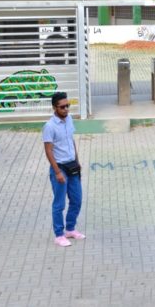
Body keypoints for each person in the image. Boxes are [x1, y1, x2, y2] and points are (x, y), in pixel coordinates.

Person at [42, 92, 85, 247]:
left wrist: (77, 162)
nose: (66, 109)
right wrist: (57, 172)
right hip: (59, 168)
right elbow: (48, 150)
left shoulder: (69, 119)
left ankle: (70, 229)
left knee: (77, 199)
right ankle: (59, 235)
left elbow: (71, 141)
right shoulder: (49, 126)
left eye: (68, 106)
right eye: (62, 107)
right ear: (54, 108)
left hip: (72, 166)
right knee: (59, 204)